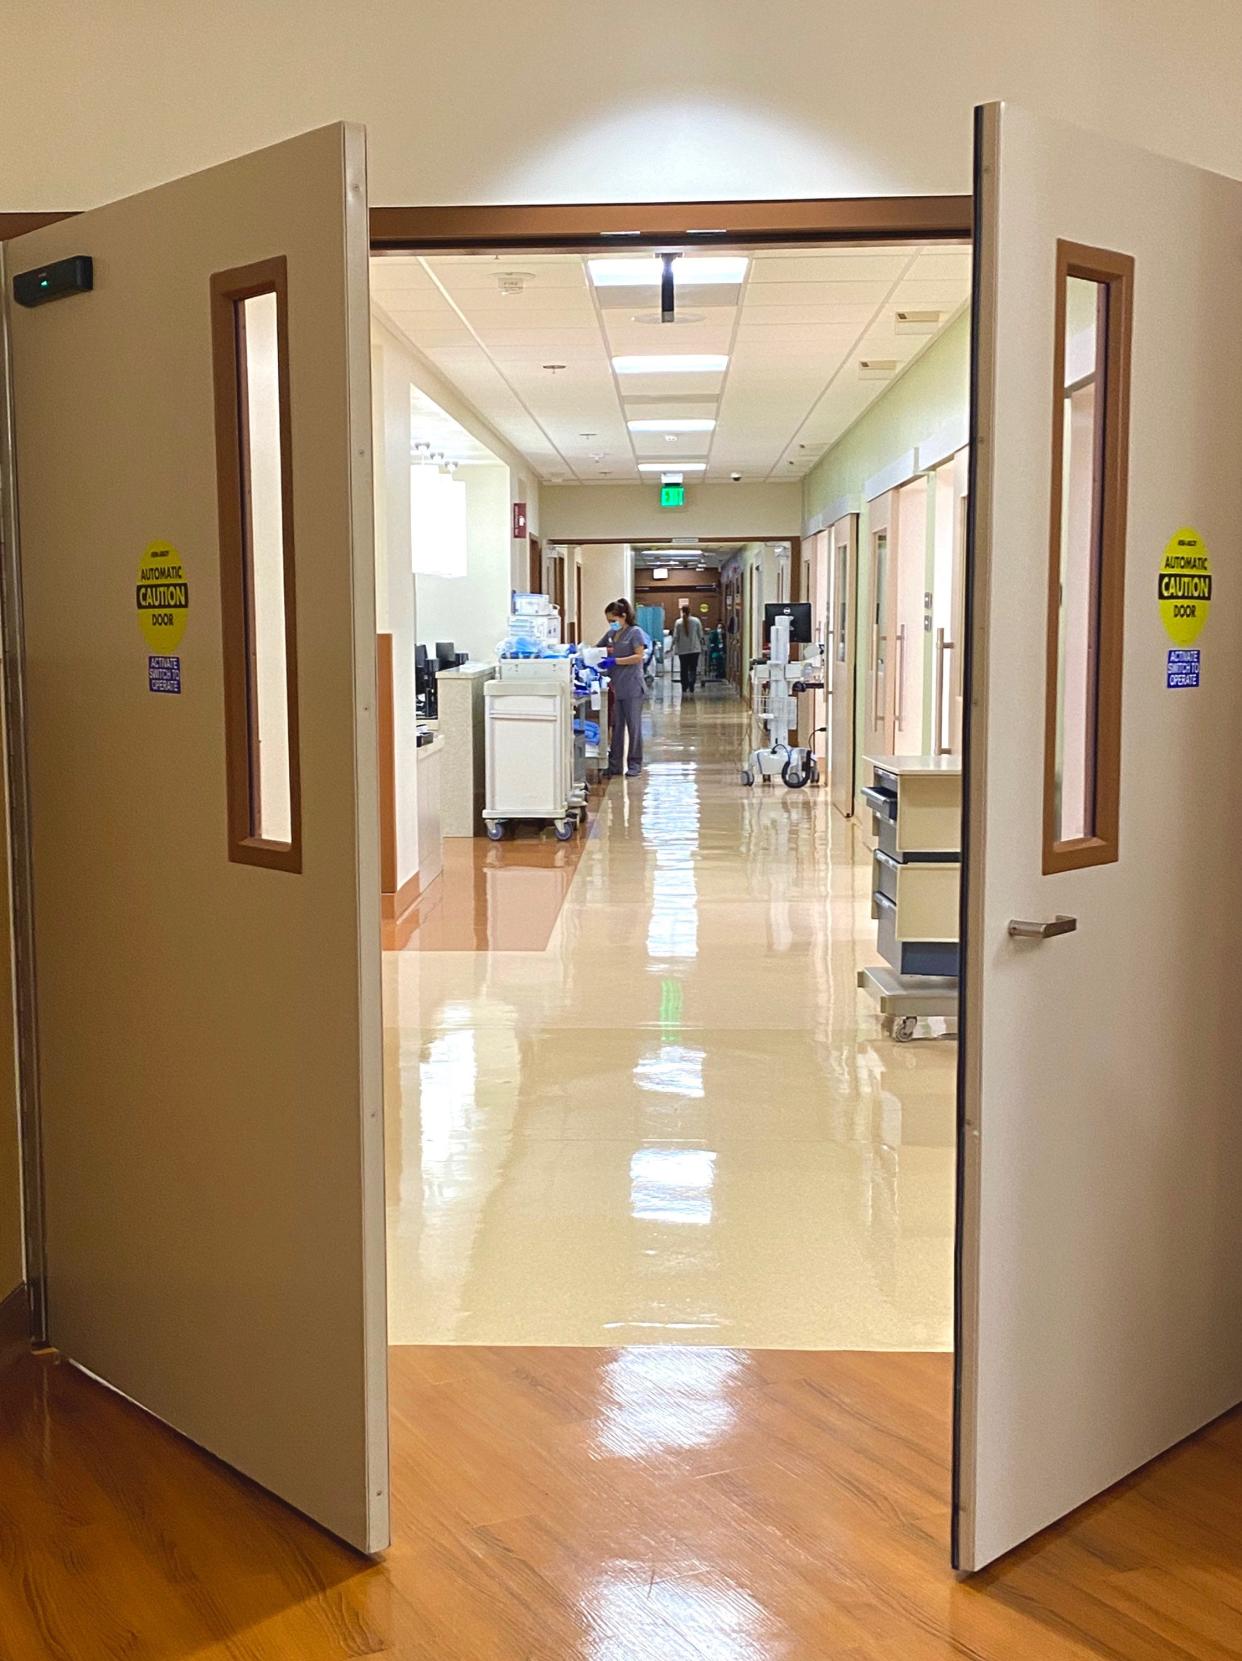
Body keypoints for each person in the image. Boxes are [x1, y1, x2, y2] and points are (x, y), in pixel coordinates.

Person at [597, 598, 647, 777]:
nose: (611, 624)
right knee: (616, 727)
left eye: (613, 620)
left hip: (633, 686)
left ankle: (634, 764)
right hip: (616, 687)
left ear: (623, 616)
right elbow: (598, 649)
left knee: (633, 727)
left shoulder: (635, 633)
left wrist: (615, 660)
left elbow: (638, 656)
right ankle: (615, 765)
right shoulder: (612, 634)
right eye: (609, 621)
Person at [671, 604, 705, 694]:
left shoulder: (678, 622)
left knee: (684, 668)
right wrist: (703, 646)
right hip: (695, 649)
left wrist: (671, 647)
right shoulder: (696, 621)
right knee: (693, 668)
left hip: (682, 650)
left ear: (682, 611)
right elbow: (700, 635)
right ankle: (692, 685)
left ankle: (684, 686)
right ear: (690, 611)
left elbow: (675, 637)